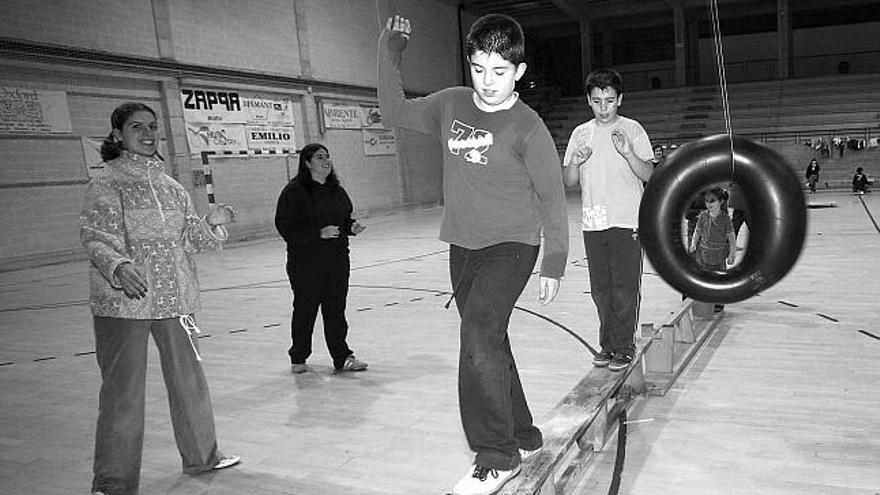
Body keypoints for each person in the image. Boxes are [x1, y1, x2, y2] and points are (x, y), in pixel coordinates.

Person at [379, 14, 569, 495]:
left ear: (519, 71)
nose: (488, 82)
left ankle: (496, 455)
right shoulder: (451, 104)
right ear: (470, 64)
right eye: (479, 68)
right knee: (492, 342)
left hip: (512, 246)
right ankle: (523, 435)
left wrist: (554, 263)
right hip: (463, 248)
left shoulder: (529, 128)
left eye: (500, 71)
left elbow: (552, 199)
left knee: (478, 335)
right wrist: (390, 51)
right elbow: (394, 111)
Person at [80, 102, 239, 495]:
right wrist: (118, 266)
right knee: (123, 393)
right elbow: (96, 236)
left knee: (190, 382)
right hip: (124, 303)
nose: (149, 133)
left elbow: (190, 240)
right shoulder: (106, 183)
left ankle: (203, 457)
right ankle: (113, 483)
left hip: (175, 301)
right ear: (117, 134)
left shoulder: (172, 188)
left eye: (153, 126)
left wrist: (212, 225)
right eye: (138, 127)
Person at [562, 68, 653, 373]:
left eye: (610, 101)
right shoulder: (580, 134)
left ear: (620, 100)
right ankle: (607, 345)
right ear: (589, 100)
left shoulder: (634, 130)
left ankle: (624, 346)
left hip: (627, 222)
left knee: (625, 288)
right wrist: (574, 162)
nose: (604, 108)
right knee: (601, 290)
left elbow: (649, 174)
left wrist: (628, 153)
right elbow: (570, 180)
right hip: (593, 222)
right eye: (598, 101)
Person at [275, 143, 368, 374]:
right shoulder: (294, 191)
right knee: (306, 309)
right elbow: (285, 225)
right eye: (319, 157)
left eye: (327, 157)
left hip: (337, 259)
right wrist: (317, 233)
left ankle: (342, 357)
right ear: (307, 163)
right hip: (305, 262)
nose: (326, 161)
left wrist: (351, 226)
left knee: (336, 310)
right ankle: (298, 356)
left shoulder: (337, 190)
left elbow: (343, 218)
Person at [688, 187, 736, 312]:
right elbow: (696, 230)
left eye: (712, 201)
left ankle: (718, 302)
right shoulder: (703, 215)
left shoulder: (725, 218)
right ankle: (700, 302)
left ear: (720, 202)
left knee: (719, 278)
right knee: (702, 276)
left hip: (719, 253)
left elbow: (731, 236)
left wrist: (732, 253)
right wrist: (693, 244)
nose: (709, 204)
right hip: (703, 252)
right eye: (707, 201)